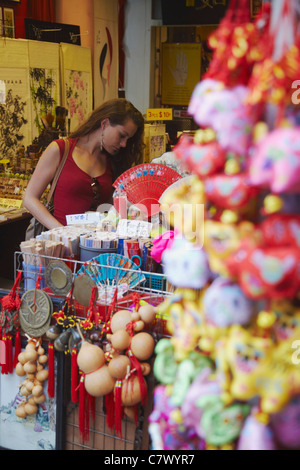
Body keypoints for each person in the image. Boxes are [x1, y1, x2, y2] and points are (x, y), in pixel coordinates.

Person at [23, 98, 145, 229]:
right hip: (60, 244)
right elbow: (29, 199)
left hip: (95, 246)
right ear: (105, 123)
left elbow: (111, 210)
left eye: (128, 139)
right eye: (122, 135)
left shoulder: (112, 161)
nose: (124, 144)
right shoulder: (61, 149)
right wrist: (61, 232)